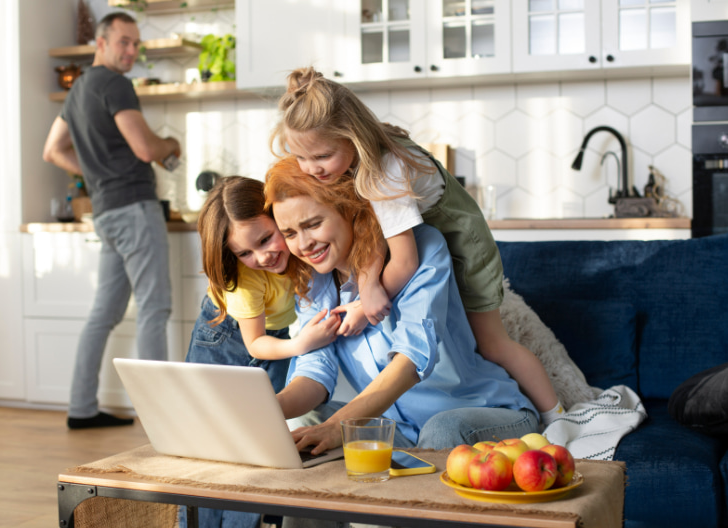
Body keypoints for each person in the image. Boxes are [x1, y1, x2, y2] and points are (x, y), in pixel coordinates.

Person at [270, 66, 564, 426]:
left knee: (492, 343)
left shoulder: (384, 171)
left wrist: (365, 305)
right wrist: (368, 278)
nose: (311, 169)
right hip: (414, 234)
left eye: (321, 157)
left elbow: (406, 259)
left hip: (464, 243)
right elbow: (376, 232)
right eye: (301, 158)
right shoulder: (357, 169)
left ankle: (556, 416)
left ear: (352, 137)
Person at [266, 156, 539, 454]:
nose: (303, 244)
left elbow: (413, 357)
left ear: (348, 210)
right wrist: (265, 410)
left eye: (314, 224)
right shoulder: (312, 283)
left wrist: (338, 427)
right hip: (398, 428)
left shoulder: (422, 248)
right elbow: (315, 371)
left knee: (441, 429)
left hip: (483, 412)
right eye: (290, 233)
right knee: (306, 419)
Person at [42, 12, 180, 429]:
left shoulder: (80, 88)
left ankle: (81, 407)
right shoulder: (115, 84)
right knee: (155, 308)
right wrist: (171, 143)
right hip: (135, 207)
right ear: (101, 43)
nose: (131, 51)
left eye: (136, 44)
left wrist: (96, 175)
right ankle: (160, 418)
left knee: (103, 314)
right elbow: (144, 148)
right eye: (124, 42)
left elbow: (53, 150)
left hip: (105, 211)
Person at [185, 175, 341, 389]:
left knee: (269, 409)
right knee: (212, 409)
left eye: (265, 239)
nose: (262, 258)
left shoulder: (299, 245)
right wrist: (300, 344)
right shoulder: (246, 279)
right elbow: (255, 343)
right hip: (225, 335)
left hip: (274, 332)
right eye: (245, 253)